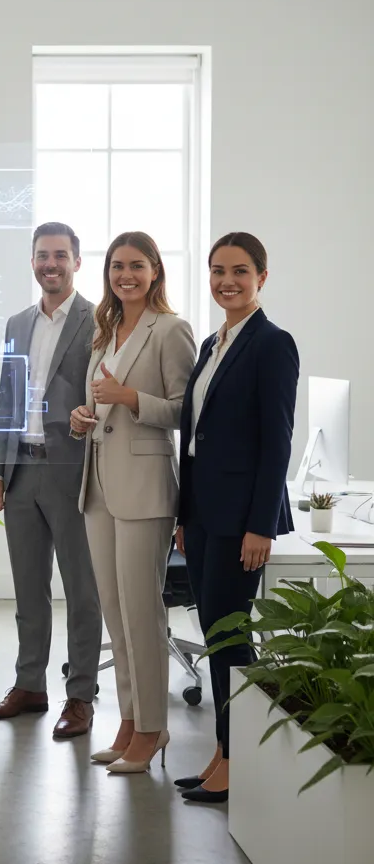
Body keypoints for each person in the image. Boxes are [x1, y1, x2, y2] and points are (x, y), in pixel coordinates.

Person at [174, 233, 298, 805]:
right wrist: (184, 514)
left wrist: (261, 525)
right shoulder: (212, 343)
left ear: (261, 277)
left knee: (231, 637)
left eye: (240, 271)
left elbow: (277, 443)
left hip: (241, 519)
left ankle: (238, 758)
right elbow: (194, 437)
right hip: (203, 514)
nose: (227, 281)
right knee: (215, 634)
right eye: (218, 270)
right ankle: (224, 751)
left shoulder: (272, 344)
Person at [70, 231, 196, 773]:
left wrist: (130, 398)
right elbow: (97, 406)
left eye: (137, 265)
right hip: (98, 484)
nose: (126, 275)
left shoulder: (170, 329)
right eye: (117, 266)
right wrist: (82, 418)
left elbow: (186, 411)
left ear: (155, 271)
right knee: (116, 615)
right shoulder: (106, 330)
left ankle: (152, 728)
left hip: (145, 486)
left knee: (143, 614)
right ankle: (128, 721)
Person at [0, 222, 102, 738]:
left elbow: (104, 394)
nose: (50, 264)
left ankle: (81, 696)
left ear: (76, 261)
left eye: (59, 255)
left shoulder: (99, 320)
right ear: (32, 261)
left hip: (72, 471)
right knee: (28, 591)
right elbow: (8, 403)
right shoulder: (17, 324)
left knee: (82, 591)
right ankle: (29, 684)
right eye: (42, 256)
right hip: (21, 471)